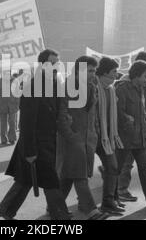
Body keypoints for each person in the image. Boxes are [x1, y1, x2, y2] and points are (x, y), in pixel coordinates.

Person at [0, 49, 71, 220]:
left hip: (49, 142)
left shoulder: (53, 83)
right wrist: (30, 151)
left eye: (57, 63)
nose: (55, 67)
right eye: (51, 63)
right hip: (36, 144)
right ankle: (60, 215)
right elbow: (27, 122)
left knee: (26, 180)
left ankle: (6, 210)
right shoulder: (34, 85)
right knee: (50, 180)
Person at [56, 56, 110, 220]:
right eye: (90, 70)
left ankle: (54, 207)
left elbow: (93, 115)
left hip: (88, 139)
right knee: (79, 176)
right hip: (73, 139)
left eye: (94, 70)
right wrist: (71, 136)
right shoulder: (67, 88)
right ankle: (92, 211)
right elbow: (61, 116)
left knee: (68, 176)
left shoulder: (92, 87)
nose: (93, 74)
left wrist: (96, 133)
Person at [115, 60, 146, 211]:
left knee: (145, 168)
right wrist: (128, 120)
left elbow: (142, 111)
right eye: (145, 76)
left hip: (140, 138)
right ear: (136, 75)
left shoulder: (141, 88)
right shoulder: (122, 88)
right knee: (117, 169)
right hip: (126, 138)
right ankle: (111, 199)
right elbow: (118, 112)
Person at [94, 57, 126, 215]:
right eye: (114, 71)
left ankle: (108, 202)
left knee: (113, 167)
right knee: (76, 174)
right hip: (91, 136)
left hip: (106, 138)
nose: (116, 74)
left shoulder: (111, 90)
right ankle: (55, 205)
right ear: (105, 71)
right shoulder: (92, 87)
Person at [0, 70, 20, 145]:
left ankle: (12, 138)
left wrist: (17, 104)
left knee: (12, 123)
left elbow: (18, 93)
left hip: (12, 105)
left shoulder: (15, 81)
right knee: (3, 123)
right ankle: (3, 139)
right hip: (3, 106)